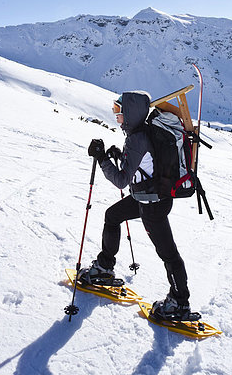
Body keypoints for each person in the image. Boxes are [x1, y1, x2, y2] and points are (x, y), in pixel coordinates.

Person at [79, 90, 192, 320]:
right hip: (146, 196)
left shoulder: (137, 138)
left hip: (153, 204)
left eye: (118, 111)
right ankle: (104, 268)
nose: (116, 115)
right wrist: (119, 156)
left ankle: (180, 304)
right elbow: (141, 165)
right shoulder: (140, 133)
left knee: (168, 253)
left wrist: (102, 159)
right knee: (112, 216)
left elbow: (121, 180)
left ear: (130, 113)